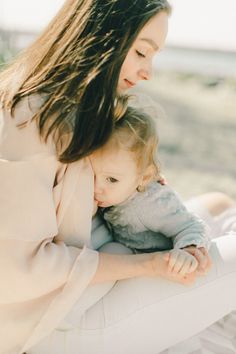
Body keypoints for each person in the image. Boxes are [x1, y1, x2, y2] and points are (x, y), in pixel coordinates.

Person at [0, 0, 236, 353]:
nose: (147, 73)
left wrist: (137, 185)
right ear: (103, 36)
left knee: (218, 204)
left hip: (91, 277)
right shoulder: (28, 119)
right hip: (50, 321)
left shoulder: (80, 105)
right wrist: (149, 265)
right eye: (142, 52)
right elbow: (15, 271)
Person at [91, 106, 210, 277]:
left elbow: (192, 226)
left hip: (169, 263)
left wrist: (187, 250)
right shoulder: (116, 188)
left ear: (144, 178)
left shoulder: (150, 204)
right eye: (92, 174)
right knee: (112, 251)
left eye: (112, 180)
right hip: (136, 252)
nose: (96, 187)